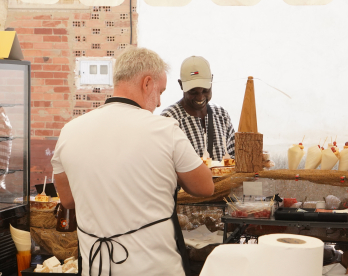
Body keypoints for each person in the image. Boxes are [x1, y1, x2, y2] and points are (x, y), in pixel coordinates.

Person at [51, 47, 214, 276]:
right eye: (160, 91)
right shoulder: (164, 130)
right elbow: (205, 186)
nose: (159, 103)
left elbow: (67, 200)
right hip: (155, 269)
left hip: (97, 268)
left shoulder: (69, 131)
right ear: (147, 83)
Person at [161, 56, 235, 161]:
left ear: (212, 81)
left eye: (205, 90)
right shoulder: (169, 119)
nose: (200, 97)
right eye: (193, 92)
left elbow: (235, 157)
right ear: (181, 85)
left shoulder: (221, 115)